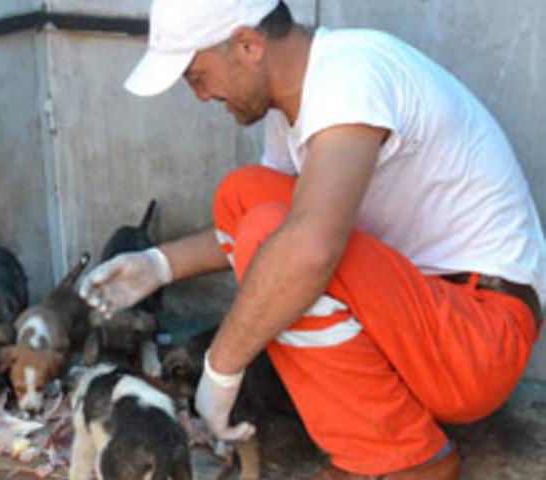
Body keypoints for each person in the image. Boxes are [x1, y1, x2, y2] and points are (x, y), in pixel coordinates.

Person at [77, 0, 546, 479]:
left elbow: (307, 248)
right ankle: (381, 435)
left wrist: (221, 368)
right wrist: (159, 264)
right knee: (244, 198)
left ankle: (407, 458)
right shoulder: (301, 104)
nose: (201, 96)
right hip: (429, 319)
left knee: (277, 240)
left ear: (247, 45)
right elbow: (259, 227)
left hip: (479, 340)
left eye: (198, 76)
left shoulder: (350, 77)